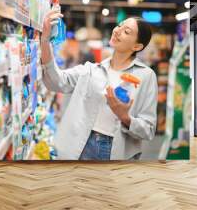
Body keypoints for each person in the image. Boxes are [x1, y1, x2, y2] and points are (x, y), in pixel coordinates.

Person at [40, 9, 158, 160]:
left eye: (126, 31)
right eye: (120, 26)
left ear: (137, 46)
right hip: (81, 145)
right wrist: (45, 39)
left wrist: (125, 117)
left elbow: (148, 130)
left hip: (116, 151)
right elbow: (55, 81)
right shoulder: (91, 70)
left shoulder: (146, 76)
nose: (117, 31)